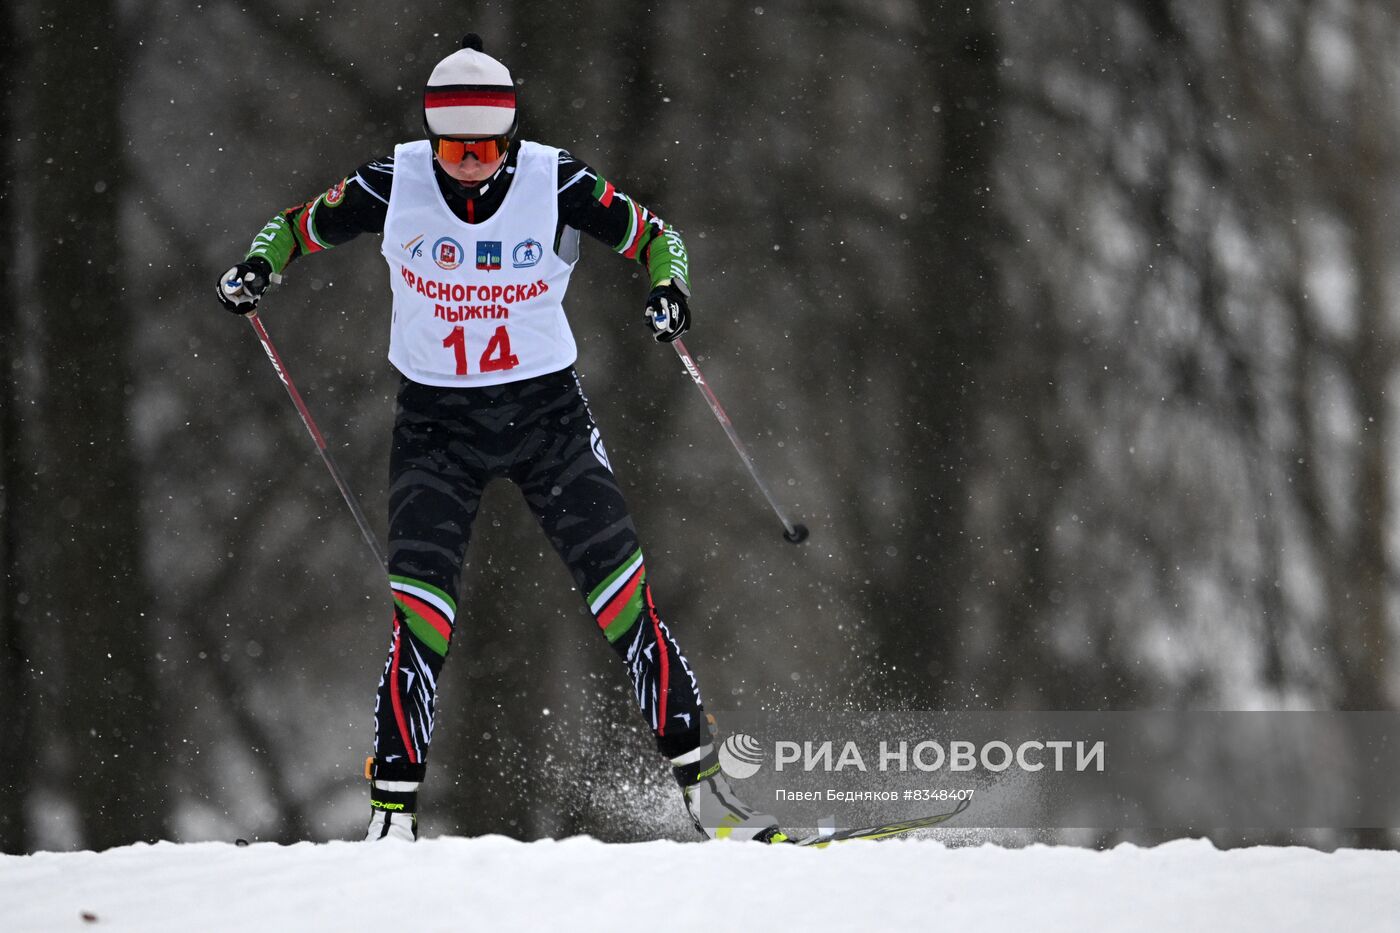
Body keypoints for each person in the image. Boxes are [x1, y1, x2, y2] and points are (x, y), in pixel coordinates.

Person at [216, 34, 784, 844]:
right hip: (436, 427)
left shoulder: (557, 180)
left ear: (510, 138)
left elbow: (661, 237)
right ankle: (392, 818)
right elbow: (292, 227)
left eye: (485, 147)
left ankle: (709, 793)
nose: (469, 163)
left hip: (546, 419)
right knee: (423, 619)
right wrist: (256, 269)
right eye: (455, 147)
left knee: (625, 603)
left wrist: (670, 292)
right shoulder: (398, 179)